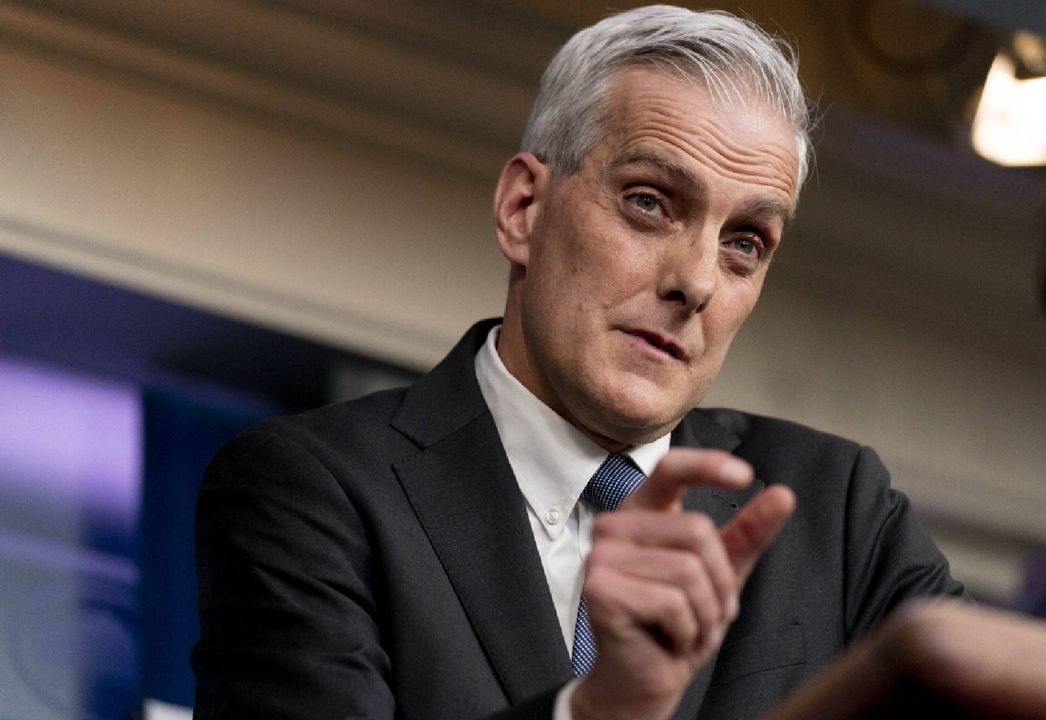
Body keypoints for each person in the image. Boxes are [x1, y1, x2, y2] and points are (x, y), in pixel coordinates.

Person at [191, 5, 963, 720]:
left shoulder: (840, 516)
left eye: (745, 244)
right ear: (524, 209)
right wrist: (599, 710)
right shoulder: (309, 493)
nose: (695, 282)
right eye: (650, 202)